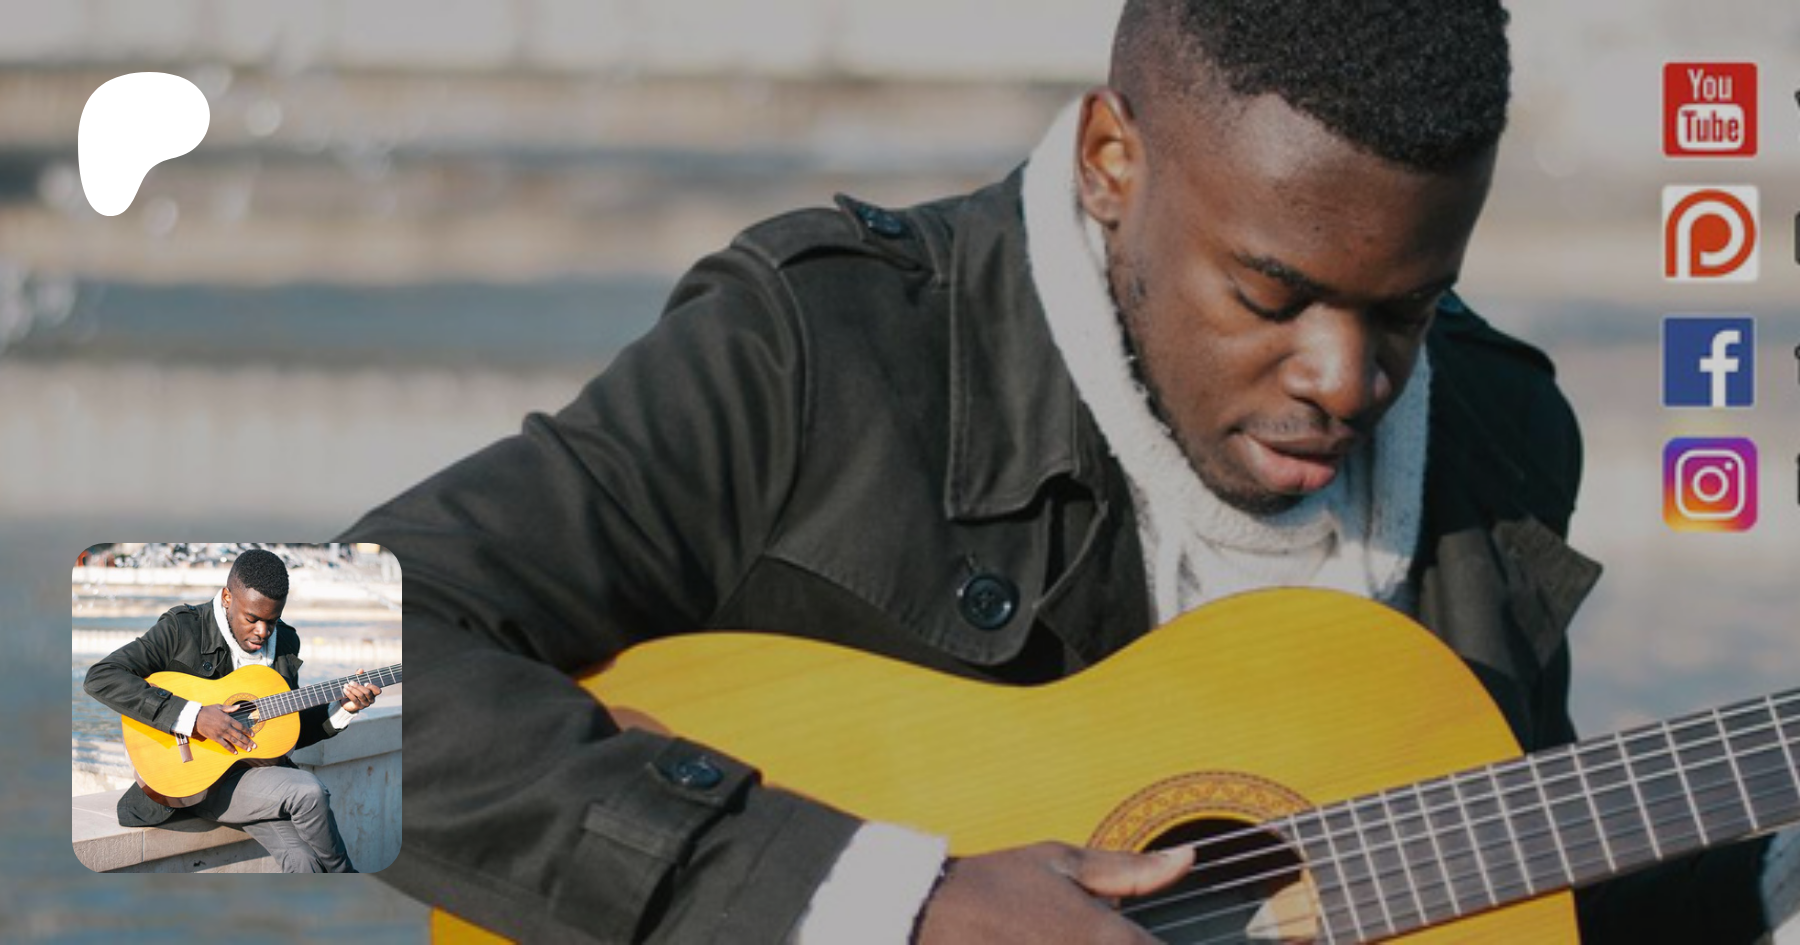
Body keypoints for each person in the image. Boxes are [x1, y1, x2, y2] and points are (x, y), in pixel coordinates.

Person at [346, 0, 1798, 940]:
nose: (1345, 377)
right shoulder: (823, 361)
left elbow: (1507, 885)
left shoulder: (1498, 443)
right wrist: (883, 902)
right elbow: (238, 708)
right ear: (1114, 160)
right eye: (1272, 293)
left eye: (1408, 307)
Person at [83, 548, 382, 873]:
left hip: (253, 778)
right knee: (308, 792)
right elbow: (102, 676)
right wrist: (194, 717)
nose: (262, 632)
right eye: (252, 619)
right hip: (193, 780)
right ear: (227, 597)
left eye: (272, 621)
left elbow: (289, 727)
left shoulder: (285, 643)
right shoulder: (184, 629)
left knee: (303, 861)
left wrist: (342, 708)